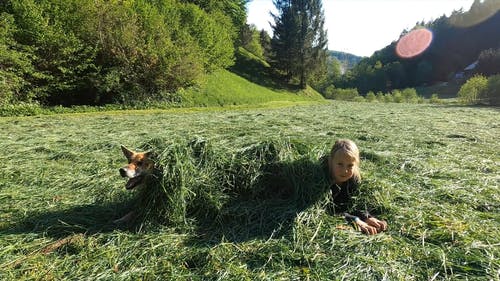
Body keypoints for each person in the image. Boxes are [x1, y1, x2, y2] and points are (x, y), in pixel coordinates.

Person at [326, 139, 388, 235]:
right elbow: (328, 210)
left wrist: (367, 217)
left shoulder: (353, 180)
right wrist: (355, 220)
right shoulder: (321, 182)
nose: (345, 171)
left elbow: (352, 205)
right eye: (340, 164)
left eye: (350, 165)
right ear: (330, 161)